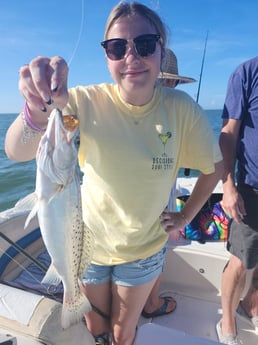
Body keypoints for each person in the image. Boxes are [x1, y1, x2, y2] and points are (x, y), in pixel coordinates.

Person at [5, 2, 223, 345]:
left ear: (161, 52)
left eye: (145, 45)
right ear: (107, 57)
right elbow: (17, 150)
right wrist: (36, 107)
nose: (131, 57)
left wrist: (184, 217)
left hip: (143, 247)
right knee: (95, 328)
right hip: (86, 246)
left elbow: (213, 170)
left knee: (123, 334)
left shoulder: (183, 112)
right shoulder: (85, 102)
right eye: (118, 47)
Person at [142, 47, 196, 318]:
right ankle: (152, 304)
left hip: (142, 204)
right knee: (155, 254)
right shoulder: (175, 115)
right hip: (157, 207)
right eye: (167, 81)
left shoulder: (136, 113)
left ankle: (137, 303)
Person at [216, 57, 258, 345]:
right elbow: (228, 134)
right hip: (251, 188)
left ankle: (250, 305)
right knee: (240, 261)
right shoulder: (247, 72)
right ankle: (227, 321)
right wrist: (228, 185)